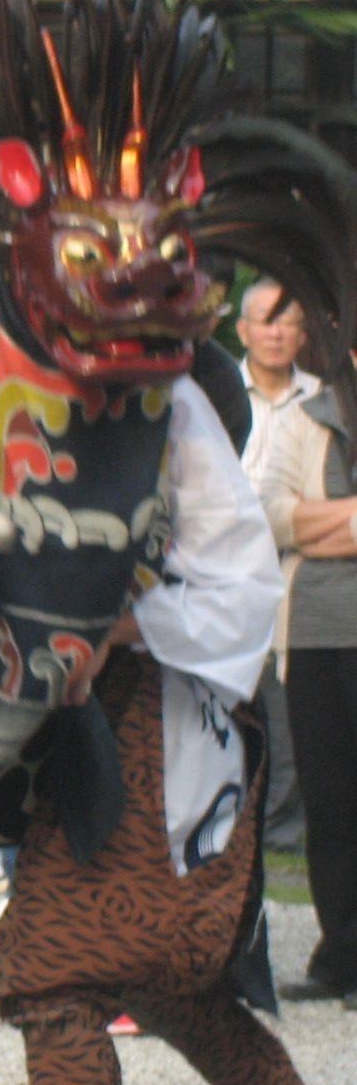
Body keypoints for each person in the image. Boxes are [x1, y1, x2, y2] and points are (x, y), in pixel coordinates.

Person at [0, 0, 342, 1085]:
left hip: (146, 730)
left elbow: (240, 575)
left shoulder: (179, 400)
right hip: (23, 708)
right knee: (173, 992)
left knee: (56, 973)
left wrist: (128, 626)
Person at [255, 353, 357, 1011]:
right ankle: (340, 953)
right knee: (329, 799)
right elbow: (272, 515)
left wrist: (320, 522)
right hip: (317, 631)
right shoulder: (305, 418)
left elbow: (301, 520)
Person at [237, 278, 319, 855]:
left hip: (297, 577)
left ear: (303, 333)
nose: (274, 332)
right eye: (263, 320)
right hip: (222, 576)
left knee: (289, 712)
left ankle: (281, 831)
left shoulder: (324, 400)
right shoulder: (216, 390)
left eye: (285, 321)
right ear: (243, 330)